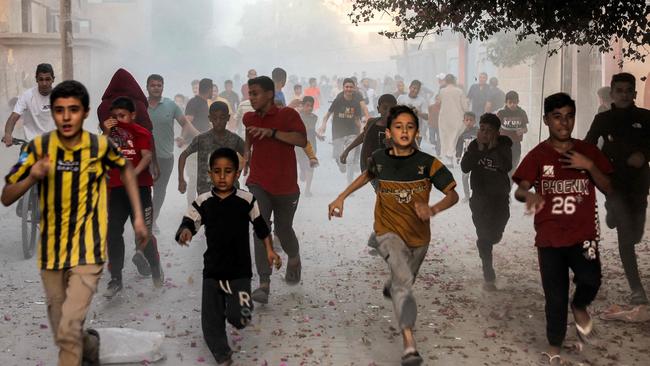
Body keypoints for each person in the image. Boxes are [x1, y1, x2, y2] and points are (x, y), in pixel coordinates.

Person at [1, 80, 148, 366]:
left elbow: (127, 171)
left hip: (87, 253)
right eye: (59, 110)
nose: (66, 117)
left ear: (85, 113)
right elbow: (7, 196)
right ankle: (90, 345)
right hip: (52, 257)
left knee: (68, 330)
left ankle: (79, 350)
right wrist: (32, 175)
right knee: (63, 330)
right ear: (53, 113)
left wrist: (139, 219)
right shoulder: (38, 148)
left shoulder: (100, 146)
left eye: (73, 110)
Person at [328, 105, 458, 366]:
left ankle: (394, 283)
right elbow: (367, 176)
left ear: (417, 133)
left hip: (419, 238)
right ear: (388, 132)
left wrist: (432, 209)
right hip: (386, 232)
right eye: (398, 127)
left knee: (404, 281)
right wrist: (341, 196)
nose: (404, 131)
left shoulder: (428, 163)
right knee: (403, 286)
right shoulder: (379, 158)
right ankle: (409, 343)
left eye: (410, 127)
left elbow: (453, 195)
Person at [513, 92, 612, 364]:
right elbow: (519, 190)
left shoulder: (588, 151)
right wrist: (529, 195)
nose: (563, 123)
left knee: (591, 280)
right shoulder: (537, 155)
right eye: (557, 117)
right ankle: (554, 346)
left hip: (584, 237)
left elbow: (609, 187)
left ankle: (579, 306)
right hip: (550, 238)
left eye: (569, 116)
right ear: (546, 120)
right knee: (554, 297)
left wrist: (589, 165)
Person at [176, 147, 281, 366]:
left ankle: (236, 308)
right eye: (217, 171)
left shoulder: (247, 200)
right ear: (209, 174)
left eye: (228, 171)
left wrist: (270, 250)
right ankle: (223, 355)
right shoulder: (203, 201)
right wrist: (185, 231)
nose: (222, 177)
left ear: (237, 173)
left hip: (239, 271)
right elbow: (190, 220)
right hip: (213, 270)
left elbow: (261, 227)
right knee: (211, 323)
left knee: (239, 317)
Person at [584, 72, 650, 305]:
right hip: (613, 184)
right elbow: (588, 146)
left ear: (634, 93)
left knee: (635, 234)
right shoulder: (603, 119)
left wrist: (643, 155)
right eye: (618, 90)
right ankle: (637, 289)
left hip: (639, 184)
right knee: (625, 237)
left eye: (627, 90)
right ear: (611, 93)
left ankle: (614, 213)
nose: (623, 94)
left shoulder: (645, 117)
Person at [243, 76, 307, 304]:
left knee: (283, 230)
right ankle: (263, 283)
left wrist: (272, 133)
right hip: (258, 182)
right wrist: (246, 156)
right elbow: (248, 139)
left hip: (286, 187)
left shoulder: (288, 115)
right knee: (260, 227)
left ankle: (295, 257)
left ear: (270, 94)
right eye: (249, 94)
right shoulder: (248, 117)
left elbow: (301, 140)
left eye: (255, 93)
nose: (251, 98)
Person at [101, 96, 164, 298]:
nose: (118, 119)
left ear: (133, 115)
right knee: (113, 232)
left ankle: (155, 266)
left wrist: (133, 174)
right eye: (114, 116)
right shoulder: (110, 135)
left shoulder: (141, 133)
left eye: (122, 115)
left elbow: (146, 156)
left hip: (141, 189)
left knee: (143, 233)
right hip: (118, 190)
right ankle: (116, 278)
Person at [460, 113, 511, 290]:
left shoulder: (504, 146)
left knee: (495, 235)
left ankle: (490, 241)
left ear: (497, 133)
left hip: (500, 199)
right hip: (480, 199)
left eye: (489, 131)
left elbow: (506, 166)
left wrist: (493, 148)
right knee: (484, 236)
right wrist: (479, 149)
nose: (484, 133)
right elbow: (465, 167)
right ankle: (487, 270)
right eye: (482, 129)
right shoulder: (474, 146)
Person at [146, 74, 198, 233]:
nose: (156, 87)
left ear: (163, 87)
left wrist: (183, 136)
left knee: (160, 191)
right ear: (147, 87)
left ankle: (152, 221)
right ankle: (143, 220)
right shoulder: (140, 105)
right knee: (144, 190)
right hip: (144, 157)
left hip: (165, 157)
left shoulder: (171, 105)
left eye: (159, 85)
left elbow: (185, 124)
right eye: (153, 85)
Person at [179, 101, 245, 198]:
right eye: (215, 118)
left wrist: (239, 170)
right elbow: (183, 155)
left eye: (222, 118)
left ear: (228, 118)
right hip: (206, 191)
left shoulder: (234, 139)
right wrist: (181, 179)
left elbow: (248, 156)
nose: (218, 121)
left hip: (230, 190)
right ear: (210, 118)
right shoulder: (201, 139)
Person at [317, 78, 363, 184]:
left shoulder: (356, 103)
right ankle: (341, 165)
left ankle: (349, 185)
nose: (349, 89)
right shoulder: (338, 100)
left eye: (351, 87)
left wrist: (361, 129)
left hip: (352, 132)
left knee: (350, 159)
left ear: (354, 88)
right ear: (343, 88)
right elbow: (327, 115)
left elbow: (357, 119)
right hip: (338, 133)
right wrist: (323, 125)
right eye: (346, 87)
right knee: (339, 158)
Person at [340, 94, 397, 174]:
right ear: (378, 109)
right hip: (371, 165)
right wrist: (347, 150)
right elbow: (363, 136)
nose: (388, 112)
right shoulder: (371, 123)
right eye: (385, 108)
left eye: (392, 109)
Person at [3, 63, 56, 146]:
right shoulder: (27, 96)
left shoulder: (60, 96)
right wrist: (7, 134)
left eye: (47, 79)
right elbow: (13, 117)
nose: (44, 83)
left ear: (53, 79)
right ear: (36, 80)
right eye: (41, 79)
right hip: (31, 145)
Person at [438, 74, 469, 166]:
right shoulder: (459, 91)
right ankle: (450, 156)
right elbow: (464, 106)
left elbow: (439, 102)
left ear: (446, 81)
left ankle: (448, 157)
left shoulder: (442, 91)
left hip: (444, 117)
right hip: (457, 117)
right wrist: (467, 112)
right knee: (454, 136)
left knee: (445, 137)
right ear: (454, 81)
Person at [496, 90, 529, 175]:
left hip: (516, 143)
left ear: (518, 102)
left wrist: (522, 130)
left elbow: (525, 129)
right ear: (506, 102)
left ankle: (509, 182)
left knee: (515, 163)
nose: (512, 105)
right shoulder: (501, 113)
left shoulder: (521, 113)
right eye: (510, 102)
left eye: (514, 102)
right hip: (503, 143)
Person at [297, 96, 319, 196]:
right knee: (303, 165)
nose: (310, 108)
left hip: (312, 145)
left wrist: (318, 135)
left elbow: (311, 130)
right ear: (303, 106)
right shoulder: (297, 117)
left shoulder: (314, 118)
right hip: (299, 146)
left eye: (311, 106)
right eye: (307, 105)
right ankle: (302, 170)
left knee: (311, 166)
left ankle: (307, 189)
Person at [455, 112, 478, 202]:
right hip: (467, 159)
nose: (469, 122)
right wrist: (458, 156)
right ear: (463, 121)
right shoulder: (462, 134)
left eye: (471, 120)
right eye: (467, 120)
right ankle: (467, 196)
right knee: (465, 177)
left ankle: (476, 194)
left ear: (474, 121)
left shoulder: (478, 132)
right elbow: (459, 146)